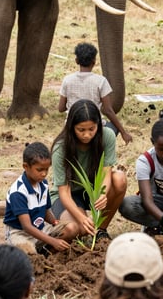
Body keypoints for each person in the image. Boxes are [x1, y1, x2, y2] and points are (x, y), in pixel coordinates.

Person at [50, 99, 126, 241]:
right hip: (69, 195)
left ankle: (101, 231)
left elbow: (106, 173)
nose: (87, 135)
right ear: (72, 127)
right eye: (81, 130)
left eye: (92, 129)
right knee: (75, 229)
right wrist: (81, 219)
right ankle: (48, 235)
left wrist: (102, 194)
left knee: (120, 178)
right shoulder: (60, 148)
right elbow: (64, 192)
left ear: (98, 125)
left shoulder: (107, 136)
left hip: (93, 190)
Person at [4, 141, 77, 256]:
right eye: (39, 170)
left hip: (41, 229)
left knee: (71, 228)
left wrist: (54, 222)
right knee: (28, 253)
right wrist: (53, 241)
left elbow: (46, 210)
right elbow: (26, 226)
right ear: (26, 167)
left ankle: (47, 253)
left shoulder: (43, 184)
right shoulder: (18, 192)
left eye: (46, 169)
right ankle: (39, 255)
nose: (44, 174)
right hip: (20, 233)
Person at [58, 42, 132, 144]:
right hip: (94, 127)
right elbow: (108, 110)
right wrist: (123, 132)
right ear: (94, 61)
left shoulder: (67, 80)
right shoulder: (100, 81)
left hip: (72, 126)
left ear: (76, 61)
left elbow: (61, 108)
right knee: (113, 126)